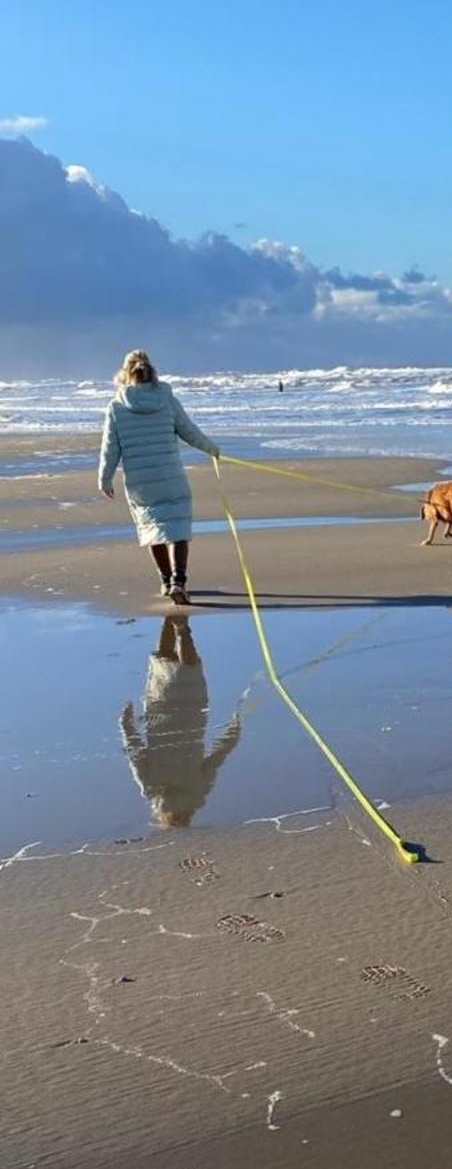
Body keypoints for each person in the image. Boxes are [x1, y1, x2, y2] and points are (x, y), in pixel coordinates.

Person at [97, 349, 221, 605]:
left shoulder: (117, 406)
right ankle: (179, 581)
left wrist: (105, 479)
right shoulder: (167, 400)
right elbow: (189, 431)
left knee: (153, 530)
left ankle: (166, 582)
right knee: (177, 527)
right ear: (152, 371)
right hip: (170, 475)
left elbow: (110, 448)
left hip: (142, 483)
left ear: (124, 373)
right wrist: (212, 449)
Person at [120, 617, 241, 826]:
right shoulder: (153, 792)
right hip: (159, 717)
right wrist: (126, 725)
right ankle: (170, 617)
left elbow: (215, 760)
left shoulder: (195, 794)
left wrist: (232, 735)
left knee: (189, 669)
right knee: (163, 660)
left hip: (190, 721)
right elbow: (135, 755)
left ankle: (182, 629)